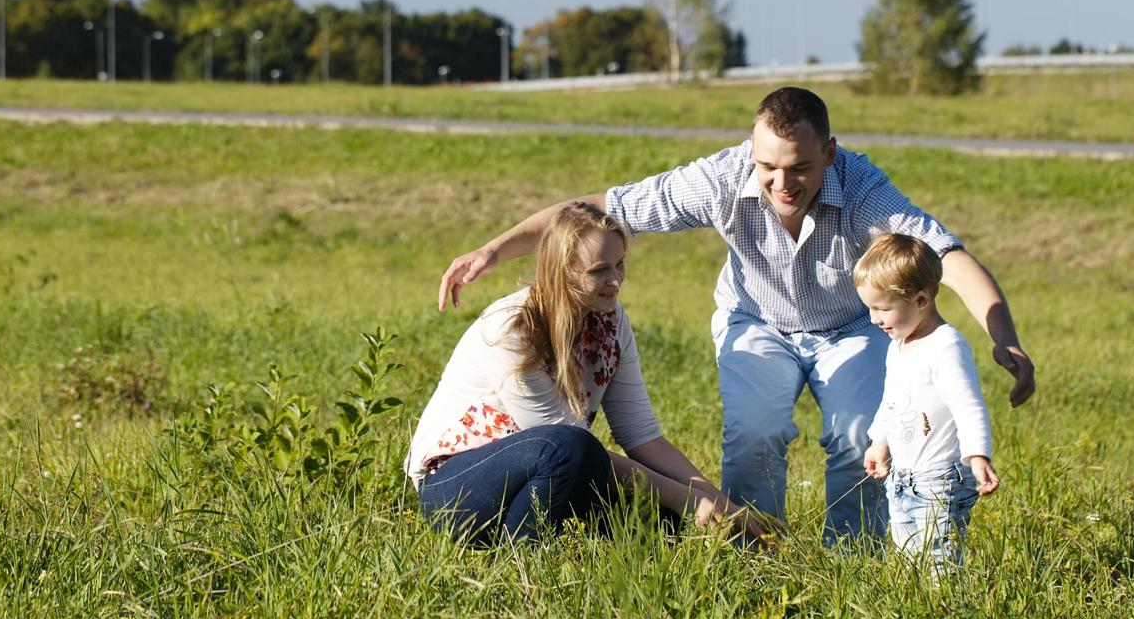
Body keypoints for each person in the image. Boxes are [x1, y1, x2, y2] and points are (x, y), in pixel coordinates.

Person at [438, 86, 1033, 547]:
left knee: (858, 436)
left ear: (828, 153)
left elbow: (943, 255)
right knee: (754, 433)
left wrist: (1002, 336)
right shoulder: (721, 179)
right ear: (752, 153)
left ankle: (858, 559)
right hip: (757, 323)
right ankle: (755, 548)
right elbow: (596, 209)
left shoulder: (864, 188)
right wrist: (494, 248)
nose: (782, 183)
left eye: (799, 168)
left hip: (849, 328)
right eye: (768, 166)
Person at [408, 201, 768, 544]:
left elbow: (643, 437)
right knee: (569, 446)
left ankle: (575, 566)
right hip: (455, 490)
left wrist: (719, 504)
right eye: (599, 270)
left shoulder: (612, 323)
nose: (616, 280)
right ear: (560, 272)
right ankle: (522, 566)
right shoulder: (511, 327)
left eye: (620, 264)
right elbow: (564, 442)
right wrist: (685, 498)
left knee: (657, 515)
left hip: (543, 474)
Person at [855, 233, 1001, 575]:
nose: (875, 319)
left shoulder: (946, 346)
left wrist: (977, 455)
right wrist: (879, 442)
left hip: (940, 479)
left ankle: (950, 616)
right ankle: (920, 615)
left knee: (939, 562)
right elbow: (892, 399)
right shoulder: (899, 343)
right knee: (908, 558)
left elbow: (968, 405)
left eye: (882, 308)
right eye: (870, 309)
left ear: (921, 299)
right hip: (904, 477)